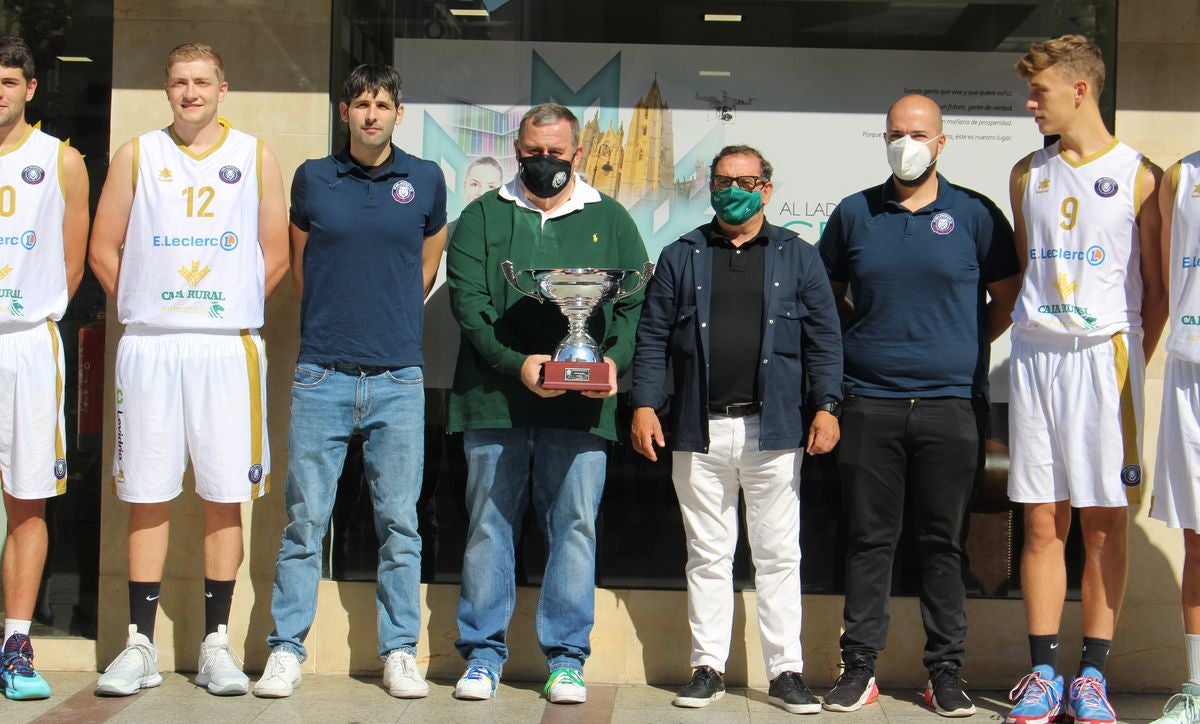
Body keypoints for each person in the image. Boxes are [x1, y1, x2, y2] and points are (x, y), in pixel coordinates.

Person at [87, 42, 289, 697]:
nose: (191, 92)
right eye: (180, 81)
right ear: (166, 89)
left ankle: (216, 645)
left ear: (223, 88)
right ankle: (139, 646)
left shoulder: (253, 155)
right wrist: (148, 305)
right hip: (152, 345)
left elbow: (276, 254)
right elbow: (101, 247)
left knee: (222, 492)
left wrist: (221, 307)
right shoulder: (136, 155)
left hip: (226, 346)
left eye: (202, 81)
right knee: (146, 491)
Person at [818, 94, 1021, 718]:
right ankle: (859, 669)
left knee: (943, 544)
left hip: (951, 406)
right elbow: (829, 296)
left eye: (918, 132)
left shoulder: (976, 215)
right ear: (884, 139)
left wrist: (956, 343)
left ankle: (945, 673)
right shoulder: (855, 214)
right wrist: (870, 340)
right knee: (869, 541)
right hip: (869, 403)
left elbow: (1005, 298)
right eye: (896, 132)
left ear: (941, 142)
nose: (906, 142)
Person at [252, 64, 447, 700]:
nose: (371, 114)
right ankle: (286, 650)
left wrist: (384, 320)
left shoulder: (424, 180)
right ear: (344, 112)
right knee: (305, 522)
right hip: (322, 375)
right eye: (360, 103)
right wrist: (336, 325)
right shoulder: (314, 179)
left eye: (383, 104)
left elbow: (426, 264)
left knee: (400, 524)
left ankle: (398, 652)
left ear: (398, 113)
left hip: (397, 377)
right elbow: (304, 267)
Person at [446, 102, 648, 704]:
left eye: (556, 154)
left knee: (575, 530)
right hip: (494, 404)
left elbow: (636, 300)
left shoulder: (609, 218)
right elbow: (468, 301)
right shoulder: (483, 215)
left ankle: (566, 659)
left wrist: (612, 359)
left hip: (582, 411)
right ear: (518, 150)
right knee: (487, 528)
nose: (544, 163)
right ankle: (483, 656)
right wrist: (519, 365)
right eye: (533, 153)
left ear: (577, 154)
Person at [630, 145, 842, 714]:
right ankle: (708, 668)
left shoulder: (799, 256)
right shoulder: (682, 255)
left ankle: (786, 671)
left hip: (773, 431)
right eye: (723, 181)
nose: (732, 190)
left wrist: (827, 406)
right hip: (699, 430)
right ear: (711, 188)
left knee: (778, 555)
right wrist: (646, 404)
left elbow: (826, 339)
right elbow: (651, 338)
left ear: (767, 189)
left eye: (745, 181)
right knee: (707, 555)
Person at [1004, 35, 1164, 724]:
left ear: (1081, 90)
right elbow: (1025, 269)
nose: (1031, 104)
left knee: (1103, 521)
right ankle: (1042, 671)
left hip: (1107, 357)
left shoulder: (1140, 174)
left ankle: (1091, 676)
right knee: (1042, 517)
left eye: (1039, 92)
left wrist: (1128, 363)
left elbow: (1156, 290)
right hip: (1038, 353)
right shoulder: (1024, 174)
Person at [0, 36, 89, 702]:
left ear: (30, 88)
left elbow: (71, 264)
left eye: (7, 81)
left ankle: (17, 644)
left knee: (26, 499)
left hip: (27, 341)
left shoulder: (61, 161)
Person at [1148, 148, 1200, 724]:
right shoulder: (1181, 176)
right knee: (1197, 538)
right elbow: (1164, 283)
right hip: (1191, 370)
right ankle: (1197, 690)